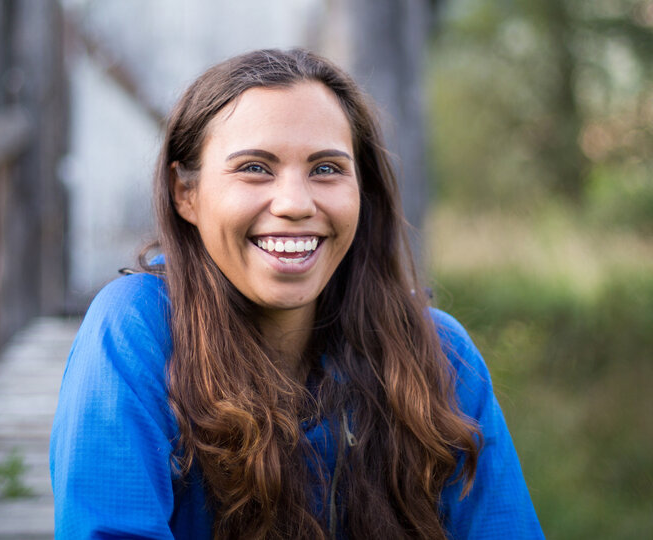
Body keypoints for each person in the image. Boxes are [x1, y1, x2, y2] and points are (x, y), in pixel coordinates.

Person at [50, 49, 544, 539]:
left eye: (326, 169)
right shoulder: (135, 330)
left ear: (361, 190)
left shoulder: (440, 354)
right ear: (187, 194)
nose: (294, 204)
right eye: (255, 168)